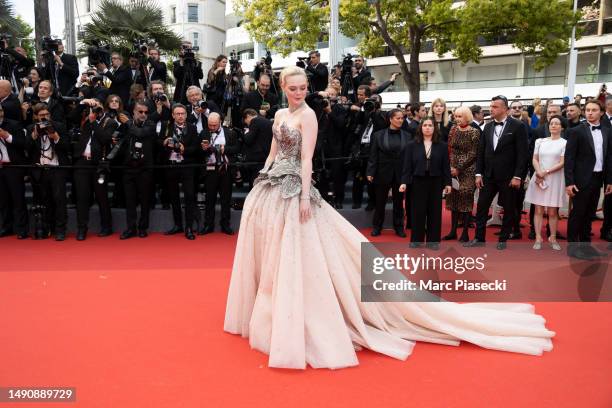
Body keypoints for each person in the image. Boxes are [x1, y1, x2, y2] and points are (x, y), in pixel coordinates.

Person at [224, 66, 554, 370]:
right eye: (293, 88)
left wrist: (303, 195)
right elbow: (273, 152)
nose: (298, 92)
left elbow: (307, 158)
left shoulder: (309, 116)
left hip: (296, 187)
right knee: (274, 250)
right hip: (273, 185)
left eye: (302, 87)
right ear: (283, 88)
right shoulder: (281, 113)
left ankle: (306, 312)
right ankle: (274, 311)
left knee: (307, 250)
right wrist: (263, 174)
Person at [464, 95, 528, 250]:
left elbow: (523, 154)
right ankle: (479, 238)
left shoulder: (518, 126)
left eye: (495, 107)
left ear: (505, 109)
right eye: (491, 106)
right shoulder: (487, 127)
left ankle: (503, 239)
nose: (491, 109)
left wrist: (518, 176)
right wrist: (478, 174)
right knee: (481, 208)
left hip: (509, 176)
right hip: (488, 176)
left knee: (509, 208)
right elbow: (481, 152)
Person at [564, 100, 612, 260]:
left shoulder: (607, 131)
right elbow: (569, 158)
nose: (590, 112)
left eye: (594, 110)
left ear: (602, 112)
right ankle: (573, 248)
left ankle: (586, 245)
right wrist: (569, 182)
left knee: (590, 213)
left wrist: (609, 181)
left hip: (598, 178)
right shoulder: (576, 131)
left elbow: (609, 157)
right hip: (580, 179)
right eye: (588, 110)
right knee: (578, 213)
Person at [399, 118, 451, 248]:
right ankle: (416, 240)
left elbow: (446, 166)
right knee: (418, 211)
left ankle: (433, 241)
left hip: (436, 180)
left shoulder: (442, 145)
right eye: (425, 125)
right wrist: (404, 182)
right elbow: (406, 166)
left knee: (435, 211)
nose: (427, 128)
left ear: (435, 128)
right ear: (421, 128)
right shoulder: (412, 145)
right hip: (418, 180)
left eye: (430, 125)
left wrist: (448, 183)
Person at [524, 115, 567, 251]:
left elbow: (562, 162)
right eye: (551, 123)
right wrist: (539, 172)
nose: (553, 125)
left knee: (553, 211)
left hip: (555, 178)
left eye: (556, 123)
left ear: (562, 127)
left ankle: (552, 237)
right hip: (539, 177)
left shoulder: (565, 143)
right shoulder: (540, 141)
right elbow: (534, 159)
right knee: (538, 209)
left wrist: (545, 172)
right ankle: (538, 237)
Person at [366, 109, 411, 237]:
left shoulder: (407, 136)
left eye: (402, 118)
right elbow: (373, 155)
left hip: (400, 173)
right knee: (380, 202)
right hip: (382, 172)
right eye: (398, 118)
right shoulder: (378, 135)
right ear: (390, 119)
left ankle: (399, 227)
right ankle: (377, 227)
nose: (400, 120)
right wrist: (370, 171)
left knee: (398, 202)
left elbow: (408, 157)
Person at [443, 106, 480, 242]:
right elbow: (450, 149)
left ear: (467, 117)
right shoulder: (453, 129)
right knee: (453, 198)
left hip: (468, 170)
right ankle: (453, 231)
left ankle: (465, 232)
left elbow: (474, 153)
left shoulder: (474, 132)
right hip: (452, 168)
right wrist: (450, 166)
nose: (457, 119)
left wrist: (459, 167)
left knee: (465, 196)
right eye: (456, 116)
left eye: (460, 116)